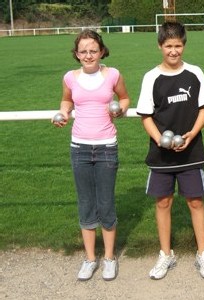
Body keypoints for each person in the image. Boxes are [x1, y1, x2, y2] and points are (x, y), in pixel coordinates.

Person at [135, 21, 204, 280]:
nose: (173, 51)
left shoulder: (194, 72)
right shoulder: (151, 77)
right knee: (163, 202)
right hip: (162, 154)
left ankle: (202, 254)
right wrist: (161, 139)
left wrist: (192, 134)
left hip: (192, 151)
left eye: (178, 45)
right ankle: (165, 254)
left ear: (184, 45)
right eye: (168, 46)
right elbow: (146, 115)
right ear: (160, 45)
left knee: (195, 201)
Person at [52, 29, 130, 281]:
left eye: (93, 50)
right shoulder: (70, 78)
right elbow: (67, 102)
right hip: (80, 149)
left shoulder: (113, 74)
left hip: (107, 147)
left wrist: (121, 110)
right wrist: (63, 113)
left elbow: (125, 98)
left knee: (106, 203)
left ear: (101, 51)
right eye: (83, 51)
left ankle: (108, 258)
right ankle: (89, 259)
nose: (88, 55)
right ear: (76, 54)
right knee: (86, 204)